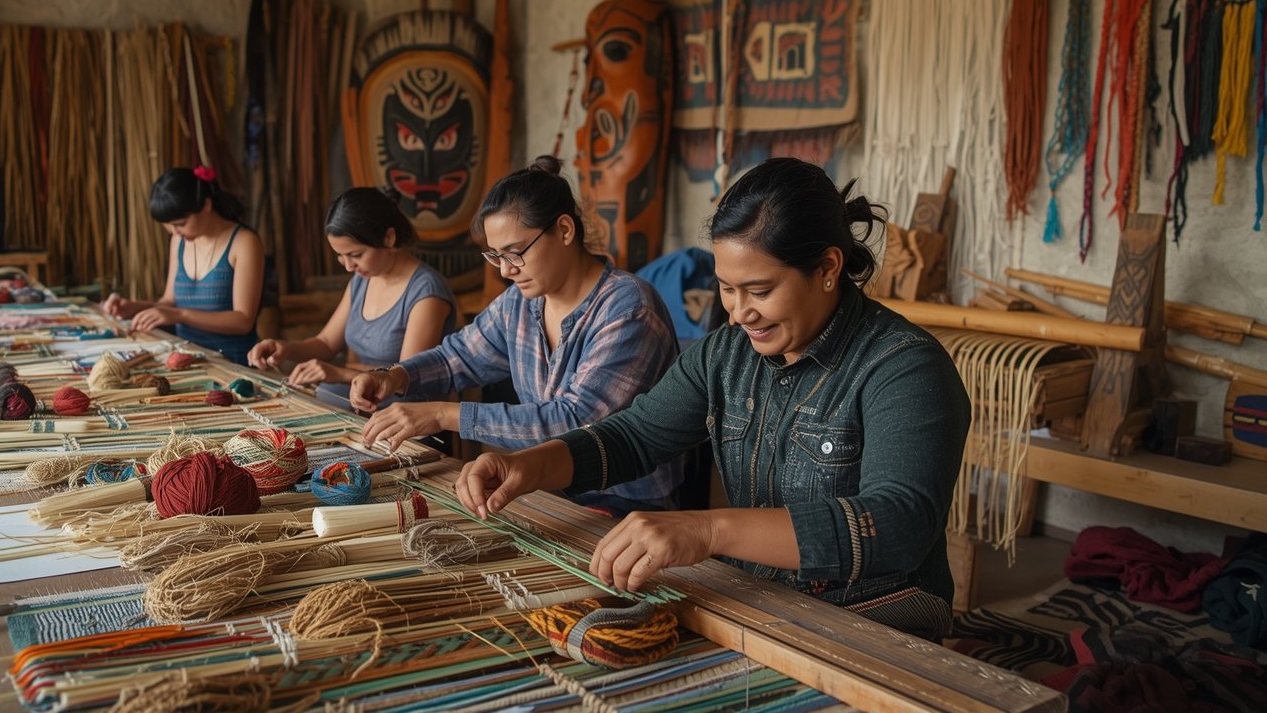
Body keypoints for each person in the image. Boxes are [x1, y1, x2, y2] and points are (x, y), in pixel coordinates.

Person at [455, 157, 971, 640]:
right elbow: (635, 436)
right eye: (727, 288)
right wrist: (527, 467)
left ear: (827, 267)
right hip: (761, 602)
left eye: (760, 290)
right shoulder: (728, 354)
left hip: (877, 618)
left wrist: (708, 529)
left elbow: (898, 524)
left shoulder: (903, 367)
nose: (738, 313)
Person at [351, 156, 683, 514]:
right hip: (548, 492)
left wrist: (444, 414)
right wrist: (395, 376)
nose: (506, 270)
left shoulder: (628, 309)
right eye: (496, 256)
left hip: (625, 507)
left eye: (515, 253)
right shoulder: (521, 304)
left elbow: (573, 423)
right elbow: (458, 357)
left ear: (565, 230)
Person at [247, 187, 457, 405]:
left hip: (402, 418)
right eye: (340, 255)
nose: (348, 266)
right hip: (355, 404)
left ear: (389, 238)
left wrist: (339, 373)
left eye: (355, 255)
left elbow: (406, 377)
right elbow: (326, 343)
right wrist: (286, 348)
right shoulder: (361, 281)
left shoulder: (426, 293)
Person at [102, 167, 263, 364]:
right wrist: (133, 308)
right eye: (168, 226)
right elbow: (170, 302)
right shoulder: (180, 241)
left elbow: (243, 321)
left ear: (206, 205)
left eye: (180, 223)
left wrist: (180, 315)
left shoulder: (243, 242)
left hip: (232, 363)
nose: (174, 232)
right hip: (185, 358)